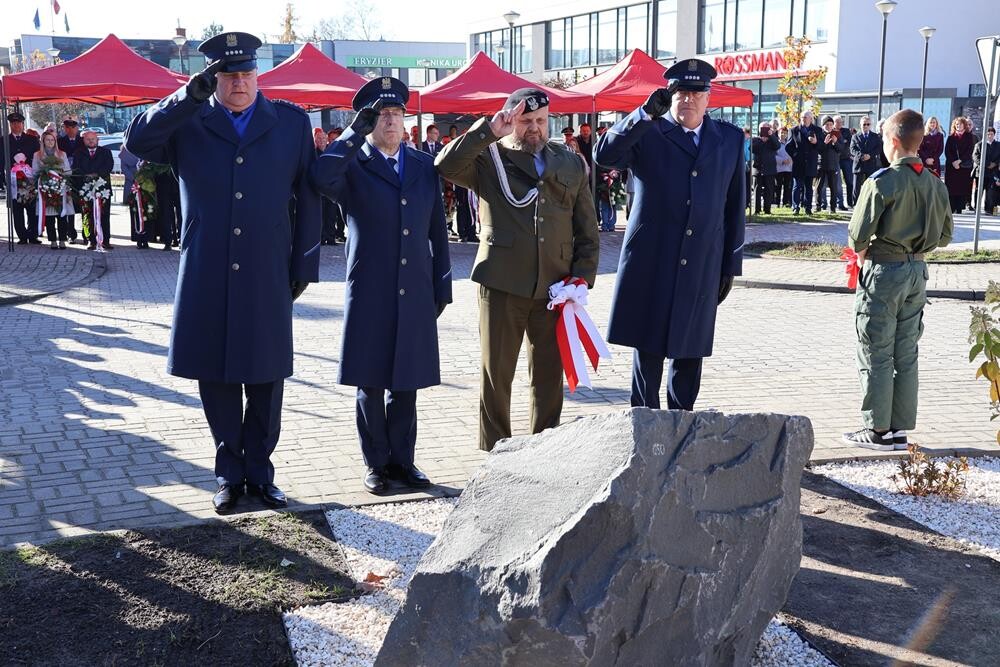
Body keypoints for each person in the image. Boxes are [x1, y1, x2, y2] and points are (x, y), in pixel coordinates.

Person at [124, 31, 321, 514]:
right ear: (212, 79)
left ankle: (261, 472)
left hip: (267, 269)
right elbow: (138, 140)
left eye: (247, 74)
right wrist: (184, 99)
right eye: (229, 76)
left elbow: (310, 197)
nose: (240, 83)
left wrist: (304, 264)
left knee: (267, 373)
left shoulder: (290, 124)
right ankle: (230, 474)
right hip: (207, 269)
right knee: (215, 376)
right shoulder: (189, 121)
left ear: (258, 74)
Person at [436, 88, 600, 452]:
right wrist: (487, 131)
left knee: (548, 376)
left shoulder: (570, 162)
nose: (534, 129)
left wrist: (581, 279)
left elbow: (587, 228)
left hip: (555, 287)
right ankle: (496, 452)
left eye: (541, 121)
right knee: (497, 375)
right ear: (510, 119)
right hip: (502, 282)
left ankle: (545, 448)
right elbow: (445, 166)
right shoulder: (489, 158)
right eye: (526, 121)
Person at [311, 77, 452, 494]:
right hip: (370, 286)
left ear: (406, 119)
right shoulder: (352, 166)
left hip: (414, 284)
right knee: (370, 379)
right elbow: (320, 178)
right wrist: (354, 131)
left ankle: (402, 462)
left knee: (406, 377)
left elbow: (436, 230)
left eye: (395, 113)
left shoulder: (425, 166)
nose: (390, 121)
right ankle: (375, 462)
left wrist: (441, 285)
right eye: (381, 115)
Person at [594, 58, 745, 411]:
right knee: (648, 347)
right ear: (669, 95)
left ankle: (683, 427)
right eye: (680, 92)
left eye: (696, 93)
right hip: (652, 259)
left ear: (709, 98)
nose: (687, 100)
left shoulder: (728, 140)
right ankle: (644, 425)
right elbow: (605, 155)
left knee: (690, 349)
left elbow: (735, 205)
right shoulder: (648, 132)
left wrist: (730, 265)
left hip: (701, 261)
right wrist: (643, 114)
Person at [842, 109, 953, 450]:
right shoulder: (935, 183)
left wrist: (867, 247)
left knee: (876, 350)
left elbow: (857, 235)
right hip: (917, 272)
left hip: (883, 273)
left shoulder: (881, 181)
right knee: (906, 351)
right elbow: (946, 236)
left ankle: (876, 431)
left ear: (892, 142)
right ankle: (899, 429)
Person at [72, 131, 114, 250]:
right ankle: (91, 240)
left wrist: (96, 175)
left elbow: (109, 166)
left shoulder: (106, 152)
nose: (91, 141)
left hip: (102, 189)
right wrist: (87, 176)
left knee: (104, 215)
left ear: (97, 140)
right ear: (84, 140)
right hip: (86, 189)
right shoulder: (78, 153)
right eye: (88, 139)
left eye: (93, 139)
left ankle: (106, 240)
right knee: (88, 214)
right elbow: (76, 169)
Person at [31, 131, 74, 249]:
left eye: (52, 140)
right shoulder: (37, 155)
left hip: (60, 188)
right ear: (43, 141)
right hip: (46, 188)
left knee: (62, 215)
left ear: (55, 141)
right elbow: (34, 172)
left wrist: (59, 173)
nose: (50, 142)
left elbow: (68, 171)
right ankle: (53, 240)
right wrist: (44, 173)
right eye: (47, 140)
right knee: (49, 216)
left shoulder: (62, 154)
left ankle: (62, 239)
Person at [5, 111, 42, 245]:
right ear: (10, 125)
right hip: (13, 179)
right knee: (17, 209)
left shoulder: (32, 140)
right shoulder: (4, 140)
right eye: (13, 123)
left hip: (29, 179)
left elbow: (38, 157)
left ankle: (32, 235)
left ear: (22, 124)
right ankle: (22, 236)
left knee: (32, 208)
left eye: (18, 123)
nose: (16, 126)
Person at [787, 110, 823, 214]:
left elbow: (821, 147)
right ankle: (795, 207)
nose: (803, 119)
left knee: (808, 187)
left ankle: (808, 208)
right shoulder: (794, 130)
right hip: (799, 163)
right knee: (797, 186)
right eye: (802, 117)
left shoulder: (817, 130)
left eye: (806, 117)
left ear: (811, 119)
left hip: (811, 162)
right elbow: (788, 147)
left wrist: (816, 142)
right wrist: (795, 156)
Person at [57, 117, 83, 242]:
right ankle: (70, 233)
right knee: (68, 205)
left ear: (77, 128)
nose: (71, 130)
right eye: (68, 127)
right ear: (65, 128)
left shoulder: (83, 141)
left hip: (81, 178)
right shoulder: (60, 142)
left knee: (83, 206)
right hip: (66, 177)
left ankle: (86, 233)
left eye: (73, 127)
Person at [944, 117, 975, 214]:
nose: (958, 126)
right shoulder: (951, 137)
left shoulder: (969, 137)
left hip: (963, 166)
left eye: (960, 124)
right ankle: (951, 207)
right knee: (951, 187)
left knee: (962, 187)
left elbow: (970, 151)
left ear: (964, 125)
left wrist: (959, 161)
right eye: (957, 124)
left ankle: (959, 207)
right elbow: (947, 151)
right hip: (951, 167)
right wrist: (953, 161)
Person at [850, 116, 882, 203]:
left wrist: (870, 155)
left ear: (871, 125)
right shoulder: (855, 137)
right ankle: (856, 205)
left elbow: (879, 148)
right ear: (860, 125)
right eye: (864, 124)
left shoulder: (875, 136)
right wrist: (862, 155)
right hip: (859, 165)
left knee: (870, 187)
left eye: (868, 124)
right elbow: (852, 149)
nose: (866, 126)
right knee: (856, 188)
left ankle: (868, 204)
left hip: (871, 164)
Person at [816, 115, 843, 213]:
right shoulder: (819, 134)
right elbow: (818, 149)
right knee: (819, 187)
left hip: (833, 165)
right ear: (823, 125)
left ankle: (833, 208)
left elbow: (841, 149)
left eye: (831, 124)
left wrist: (835, 142)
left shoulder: (837, 134)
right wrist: (824, 143)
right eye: (827, 124)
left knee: (834, 188)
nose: (829, 126)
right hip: (821, 164)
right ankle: (818, 206)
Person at [751, 121, 778, 215]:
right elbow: (752, 149)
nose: (764, 130)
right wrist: (761, 140)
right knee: (757, 190)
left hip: (769, 169)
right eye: (762, 128)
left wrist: (771, 136)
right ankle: (757, 210)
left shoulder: (772, 139)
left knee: (769, 190)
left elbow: (777, 146)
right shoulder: (755, 139)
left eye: (766, 128)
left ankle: (767, 209)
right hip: (757, 169)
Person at [972, 127, 1000, 214]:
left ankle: (989, 208)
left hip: (993, 172)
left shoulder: (998, 145)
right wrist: (987, 164)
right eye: (988, 134)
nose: (989, 136)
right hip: (981, 171)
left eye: (991, 134)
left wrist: (995, 163)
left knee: (991, 191)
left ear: (994, 135)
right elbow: (975, 157)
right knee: (979, 190)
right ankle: (977, 208)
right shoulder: (979, 145)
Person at [834, 115, 853, 208]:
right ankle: (839, 203)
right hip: (835, 159)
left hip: (845, 159)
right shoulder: (831, 131)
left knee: (849, 181)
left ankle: (850, 202)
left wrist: (840, 143)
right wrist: (842, 142)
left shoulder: (846, 131)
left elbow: (848, 143)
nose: (839, 124)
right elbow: (842, 143)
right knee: (837, 183)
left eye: (841, 122)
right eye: (837, 122)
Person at [774, 126, 794, 207]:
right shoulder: (776, 144)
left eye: (785, 133)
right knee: (778, 186)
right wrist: (782, 160)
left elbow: (793, 153)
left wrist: (791, 159)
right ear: (778, 134)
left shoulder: (789, 143)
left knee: (787, 186)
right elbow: (773, 155)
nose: (783, 134)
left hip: (788, 168)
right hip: (779, 168)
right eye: (781, 133)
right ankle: (777, 202)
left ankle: (786, 202)